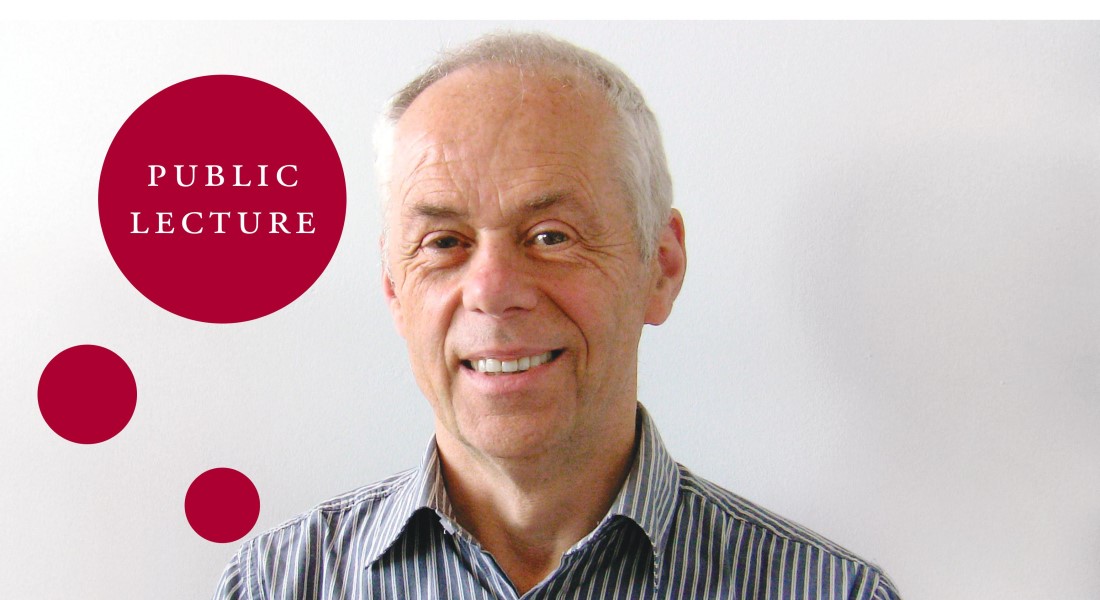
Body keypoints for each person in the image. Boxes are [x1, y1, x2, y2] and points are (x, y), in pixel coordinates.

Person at [213, 31, 901, 600]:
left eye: (551, 236)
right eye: (444, 243)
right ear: (395, 289)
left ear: (659, 268)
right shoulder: (278, 584)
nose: (492, 290)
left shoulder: (830, 592)